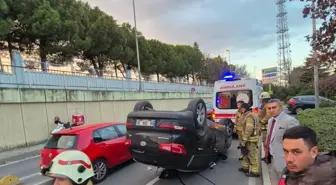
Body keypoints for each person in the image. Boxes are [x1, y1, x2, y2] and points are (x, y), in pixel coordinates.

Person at [263, 99, 299, 177]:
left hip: (285, 161)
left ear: (281, 107)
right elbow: (270, 137)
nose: (271, 110)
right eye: (269, 108)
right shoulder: (270, 121)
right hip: (272, 158)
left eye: (274, 107)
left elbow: (296, 143)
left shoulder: (290, 121)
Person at [238, 103, 260, 177]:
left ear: (244, 109)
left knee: (252, 155)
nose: (240, 110)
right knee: (246, 154)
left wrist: (244, 140)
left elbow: (249, 129)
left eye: (241, 109)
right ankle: (245, 167)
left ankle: (255, 172)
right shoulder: (251, 114)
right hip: (250, 139)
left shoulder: (249, 116)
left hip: (250, 140)